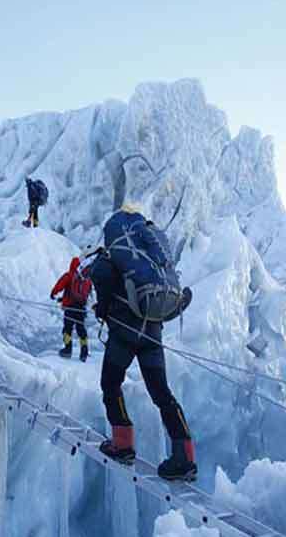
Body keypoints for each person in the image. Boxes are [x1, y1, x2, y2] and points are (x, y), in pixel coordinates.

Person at [90, 206, 197, 481]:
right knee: (162, 393)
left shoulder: (112, 255)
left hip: (125, 332)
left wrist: (102, 308)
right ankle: (184, 456)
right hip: (152, 332)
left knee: (111, 383)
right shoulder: (151, 255)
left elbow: (101, 277)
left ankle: (122, 443)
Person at [50, 257, 92, 362]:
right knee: (81, 329)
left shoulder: (69, 275)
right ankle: (84, 351)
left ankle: (67, 350)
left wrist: (53, 293)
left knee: (67, 329)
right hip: (81, 308)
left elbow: (60, 286)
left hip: (70, 307)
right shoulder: (86, 279)